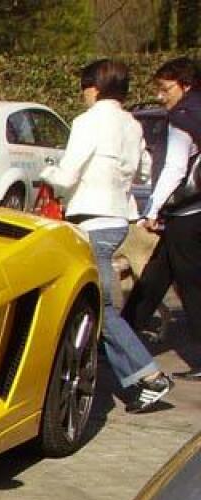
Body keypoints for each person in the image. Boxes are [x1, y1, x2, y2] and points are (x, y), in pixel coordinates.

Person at [42, 59, 174, 413]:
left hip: (92, 220)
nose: (83, 94)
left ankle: (150, 377)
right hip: (118, 218)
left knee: (102, 308)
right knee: (101, 307)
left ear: (93, 88)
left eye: (84, 87)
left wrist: (46, 172)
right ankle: (135, 380)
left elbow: (67, 176)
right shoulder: (131, 124)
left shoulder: (87, 122)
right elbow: (144, 170)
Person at [124, 57, 201, 380]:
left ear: (185, 85)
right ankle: (124, 332)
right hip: (193, 213)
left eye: (165, 88)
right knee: (156, 275)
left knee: (193, 285)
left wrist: (151, 209)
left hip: (187, 213)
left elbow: (174, 168)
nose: (160, 96)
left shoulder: (183, 117)